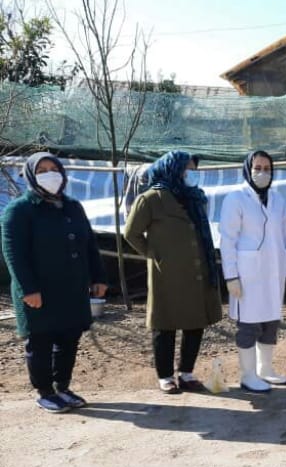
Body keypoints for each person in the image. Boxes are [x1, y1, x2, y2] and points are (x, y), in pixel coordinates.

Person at [1, 152, 106, 412]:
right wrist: (29, 289)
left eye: (54, 168)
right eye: (42, 170)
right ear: (31, 176)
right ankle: (45, 391)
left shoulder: (72, 206)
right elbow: (14, 253)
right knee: (40, 342)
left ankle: (63, 387)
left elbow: (89, 245)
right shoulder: (20, 210)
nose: (50, 174)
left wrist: (99, 277)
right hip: (40, 290)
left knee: (69, 337)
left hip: (72, 287)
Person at [124, 150, 222, 393]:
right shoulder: (151, 199)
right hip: (166, 273)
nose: (191, 174)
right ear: (172, 168)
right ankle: (165, 376)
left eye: (193, 170)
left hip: (197, 270)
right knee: (165, 324)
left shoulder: (195, 198)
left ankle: (186, 373)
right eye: (187, 169)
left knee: (195, 322)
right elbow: (131, 233)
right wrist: (154, 254)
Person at [219, 150, 286, 392]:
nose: (262, 173)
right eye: (257, 168)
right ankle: (248, 375)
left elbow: (285, 236)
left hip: (273, 271)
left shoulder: (277, 199)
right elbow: (227, 239)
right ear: (248, 169)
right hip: (247, 275)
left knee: (270, 322)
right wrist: (230, 276)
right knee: (249, 325)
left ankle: (266, 369)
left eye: (267, 169)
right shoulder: (236, 199)